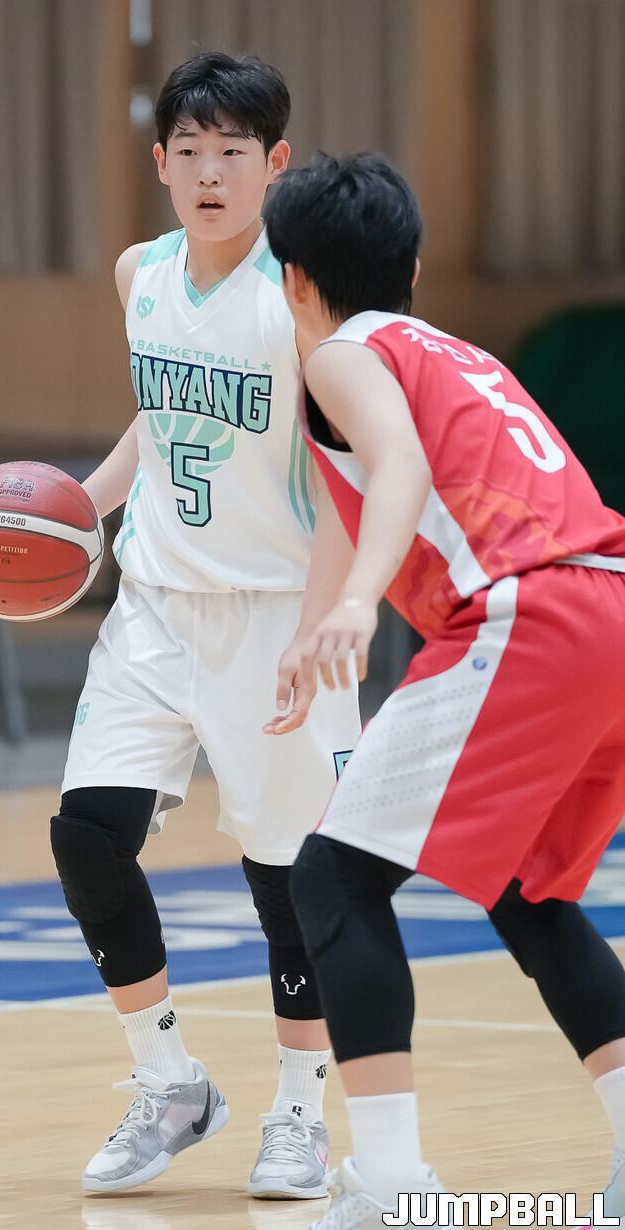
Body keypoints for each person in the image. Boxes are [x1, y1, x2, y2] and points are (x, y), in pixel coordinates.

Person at [262, 152, 625, 1228]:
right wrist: (310, 633)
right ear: (412, 268)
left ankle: (389, 1182)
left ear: (292, 279)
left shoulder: (341, 355)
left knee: (331, 881)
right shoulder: (450, 352)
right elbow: (349, 510)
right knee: (531, 893)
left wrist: (356, 607)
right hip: (607, 606)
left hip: (528, 615)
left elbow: (402, 471)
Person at [50, 55, 360, 1198]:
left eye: (233, 151)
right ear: (160, 163)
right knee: (87, 838)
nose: (210, 172)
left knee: (287, 881)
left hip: (277, 617)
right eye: (189, 151)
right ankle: (169, 1082)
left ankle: (299, 1114)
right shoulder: (140, 273)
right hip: (153, 606)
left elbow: (351, 479)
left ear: (276, 164)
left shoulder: (308, 296)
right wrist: (76, 512)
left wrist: (328, 621)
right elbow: (158, 417)